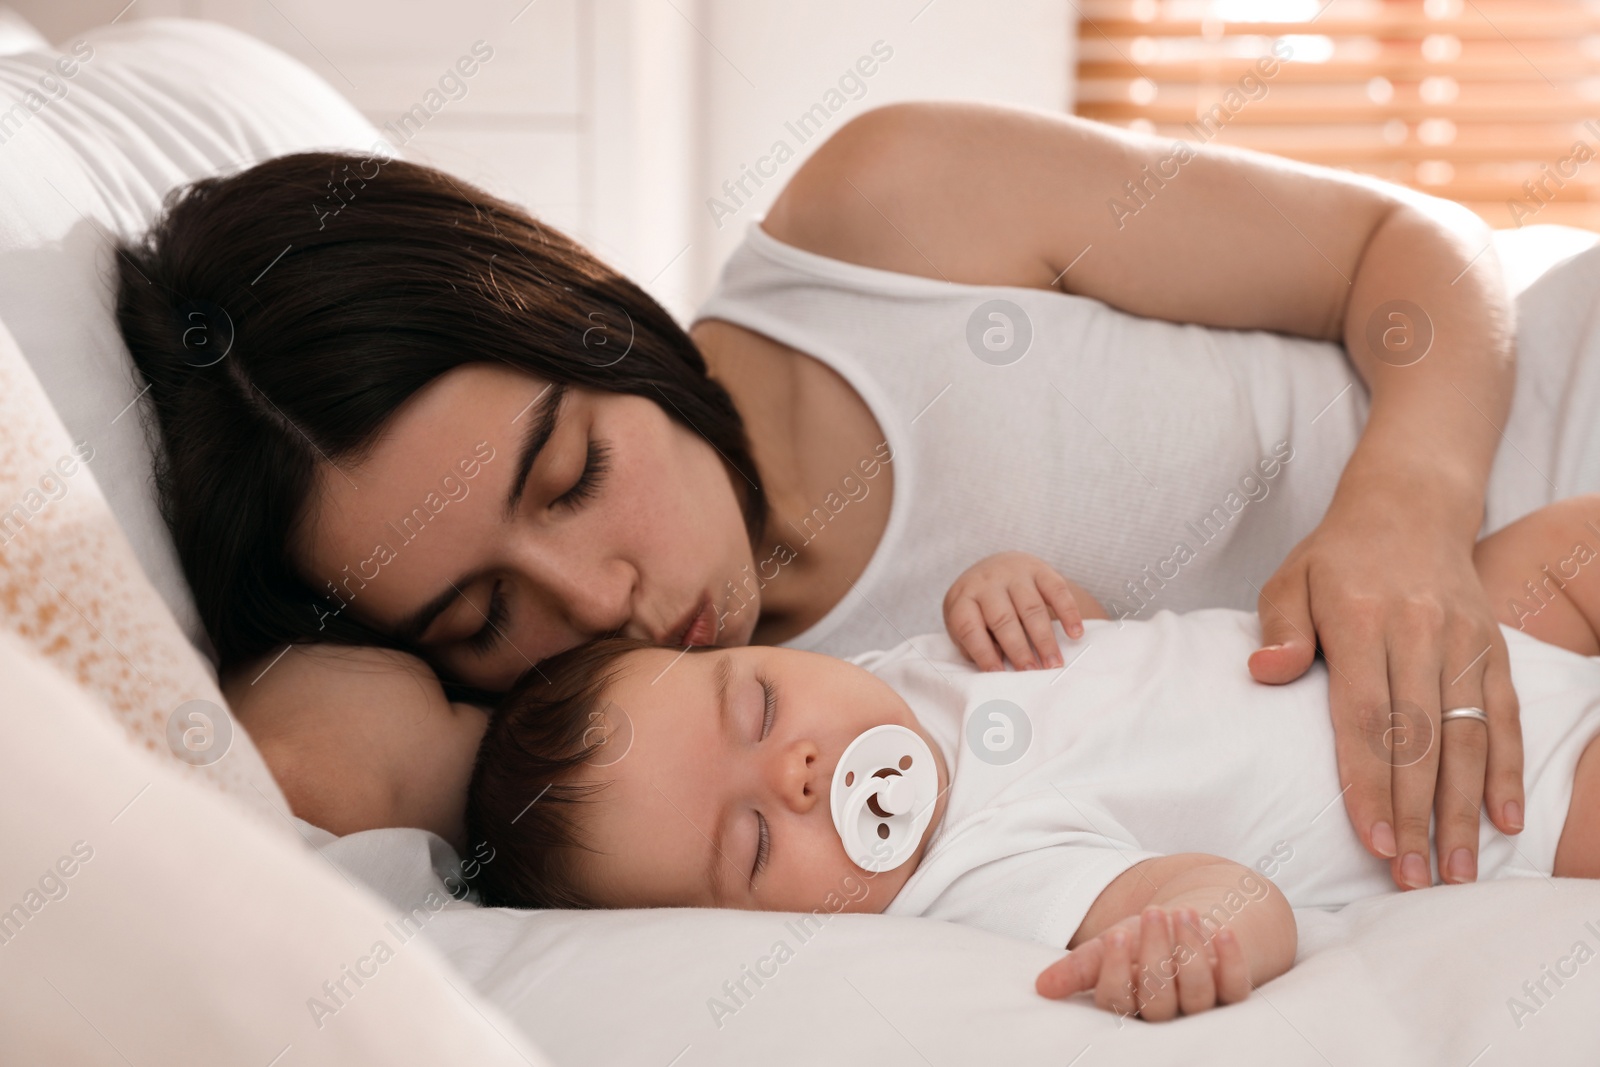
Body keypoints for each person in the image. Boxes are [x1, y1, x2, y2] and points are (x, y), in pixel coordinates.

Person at [120, 99, 1574, 892]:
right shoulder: (724, 770)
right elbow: (305, 756)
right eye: (482, 607)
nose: (601, 601)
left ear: (596, 320)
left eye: (572, 476)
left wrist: (1407, 501)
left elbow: (1408, 241)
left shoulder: (882, 220)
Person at [460, 492, 1600, 1021]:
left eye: (756, 708)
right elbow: (1228, 891)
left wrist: (1017, 584)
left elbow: (1119, 675)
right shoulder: (977, 877)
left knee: (1570, 540)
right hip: (1502, 794)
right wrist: (1194, 932)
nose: (797, 770)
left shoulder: (900, 675)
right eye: (753, 840)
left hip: (1422, 643)